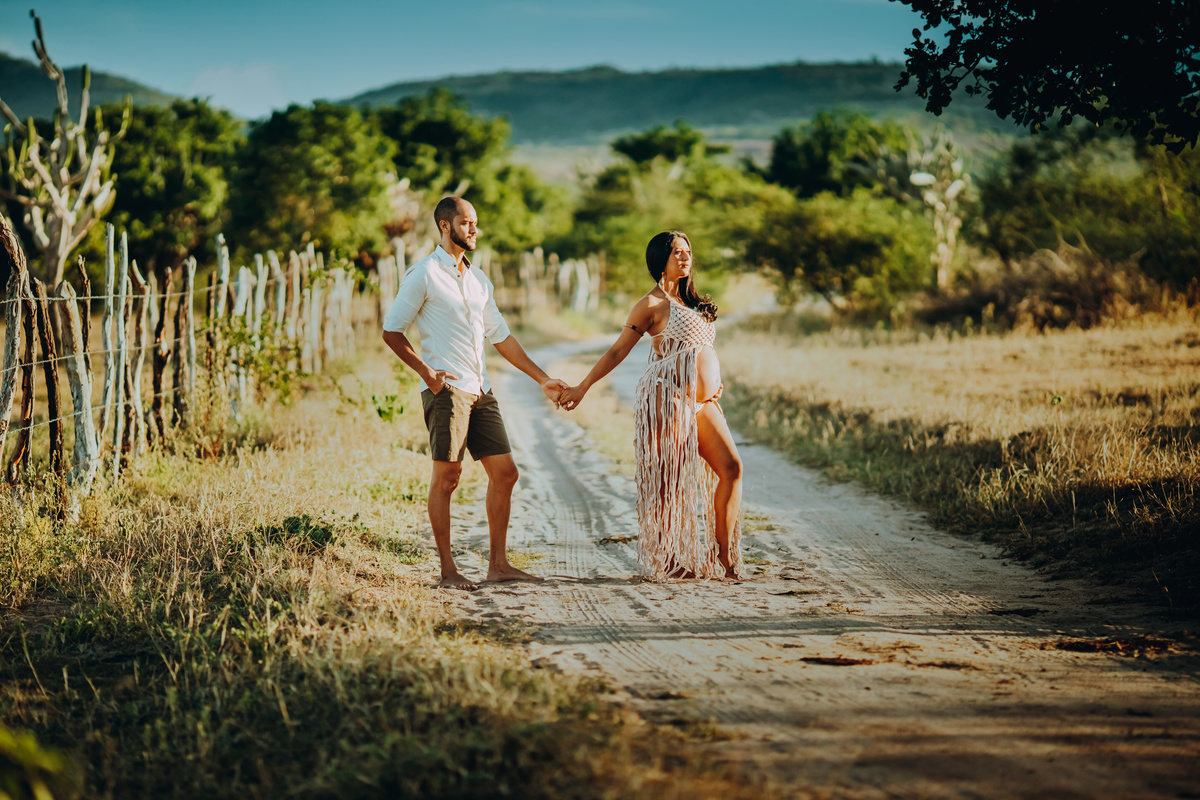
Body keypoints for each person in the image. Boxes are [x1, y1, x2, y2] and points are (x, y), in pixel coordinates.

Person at [382, 196, 568, 590]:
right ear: (445, 226)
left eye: (476, 223)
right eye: (466, 223)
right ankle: (448, 571)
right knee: (447, 478)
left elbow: (500, 336)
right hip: (447, 391)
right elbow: (392, 330)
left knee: (506, 473)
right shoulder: (424, 274)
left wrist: (542, 379)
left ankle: (498, 565)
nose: (474, 230)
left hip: (481, 389)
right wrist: (427, 372)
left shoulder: (478, 279)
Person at [559, 231, 744, 581]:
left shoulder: (693, 302)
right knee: (668, 481)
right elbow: (617, 351)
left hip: (704, 402)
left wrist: (712, 379)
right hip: (669, 396)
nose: (685, 258)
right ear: (660, 258)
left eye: (688, 252)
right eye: (677, 252)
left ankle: (723, 554)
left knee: (732, 469)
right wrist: (583, 387)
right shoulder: (651, 304)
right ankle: (667, 559)